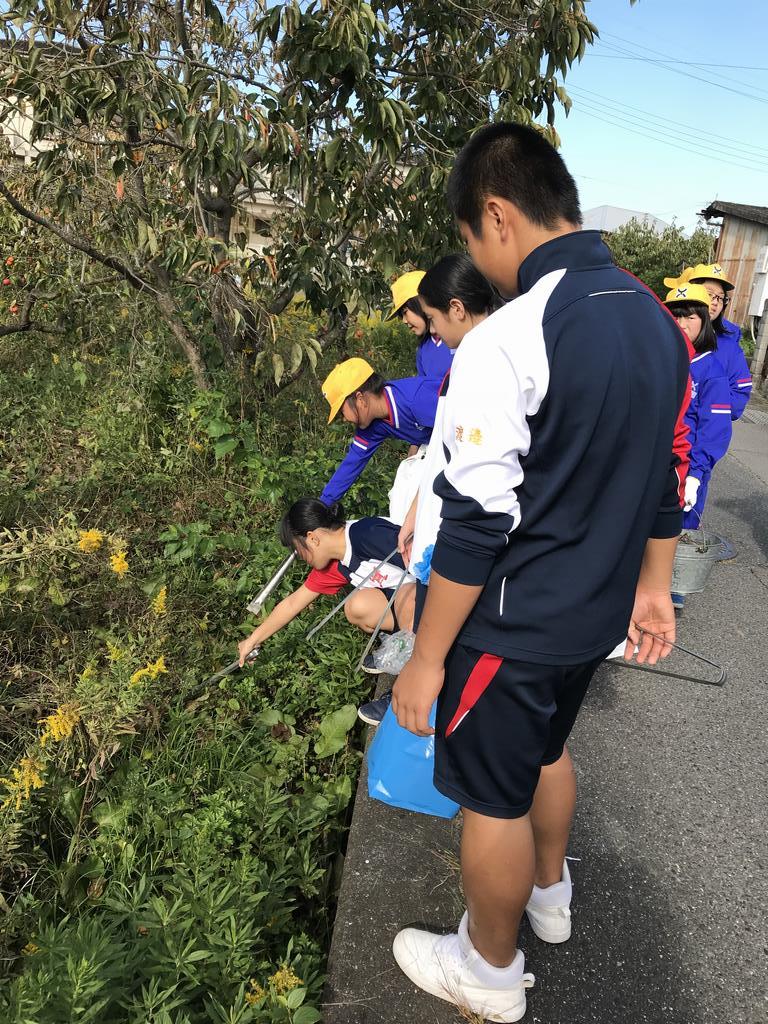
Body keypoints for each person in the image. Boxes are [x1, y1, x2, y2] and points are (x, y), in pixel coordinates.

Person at [389, 123, 691, 1023]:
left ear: (496, 214)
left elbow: (479, 523)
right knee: (548, 752)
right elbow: (662, 473)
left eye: (477, 243)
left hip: (514, 626)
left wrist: (428, 657)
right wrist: (651, 586)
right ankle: (549, 900)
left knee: (491, 797)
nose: (484, 262)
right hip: (594, 615)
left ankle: (486, 966)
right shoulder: (652, 317)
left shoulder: (512, 334)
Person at [357, 253, 502, 725]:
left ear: (457, 308)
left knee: (447, 610)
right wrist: (419, 509)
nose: (431, 333)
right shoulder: (461, 360)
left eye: (433, 319)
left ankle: (430, 698)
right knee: (427, 594)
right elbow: (442, 444)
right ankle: (424, 692)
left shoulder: (494, 363)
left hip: (473, 521)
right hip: (441, 509)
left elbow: (481, 467)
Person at [237, 499, 415, 667]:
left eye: (298, 552)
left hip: (427, 592)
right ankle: (408, 648)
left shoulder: (366, 534)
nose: (302, 560)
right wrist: (253, 639)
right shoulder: (336, 563)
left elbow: (422, 558)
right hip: (407, 607)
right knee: (356, 607)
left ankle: (417, 660)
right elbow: (293, 603)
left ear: (312, 538)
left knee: (406, 596)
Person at [664, 279, 732, 607]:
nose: (682, 323)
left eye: (691, 316)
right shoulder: (662, 357)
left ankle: (672, 588)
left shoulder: (711, 370)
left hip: (689, 466)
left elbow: (714, 427)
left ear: (704, 321)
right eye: (676, 315)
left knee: (680, 529)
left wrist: (696, 473)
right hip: (654, 459)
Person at [319, 358, 440, 507]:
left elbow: (462, 425)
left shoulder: (416, 399)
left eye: (342, 412)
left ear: (360, 398)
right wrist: (322, 506)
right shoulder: (373, 425)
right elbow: (352, 463)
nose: (344, 419)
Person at [665, 263, 752, 419]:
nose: (714, 302)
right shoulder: (666, 333)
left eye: (720, 297)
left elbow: (739, 397)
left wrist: (708, 404)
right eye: (709, 294)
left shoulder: (730, 345)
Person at [388, 270, 455, 380]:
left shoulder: (458, 334)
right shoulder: (423, 350)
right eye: (401, 315)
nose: (404, 321)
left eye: (405, 312)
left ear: (421, 303)